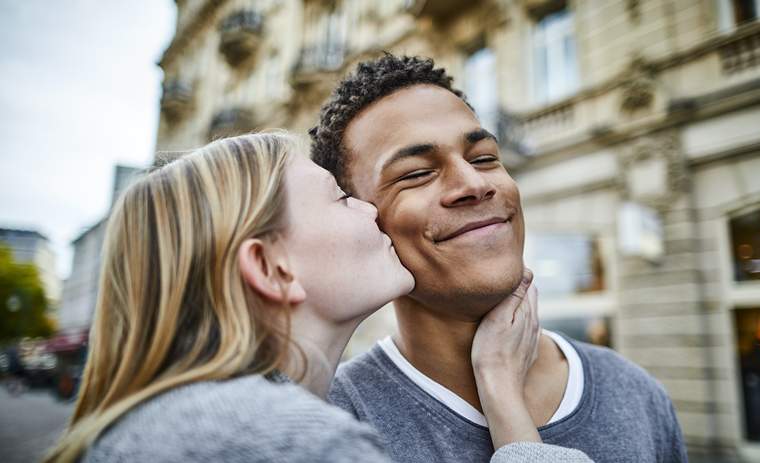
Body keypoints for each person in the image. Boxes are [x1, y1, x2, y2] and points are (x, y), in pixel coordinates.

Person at [45, 132, 591, 462]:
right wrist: (503, 392)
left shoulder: (172, 421)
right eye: (338, 199)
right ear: (270, 267)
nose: (370, 209)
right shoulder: (290, 443)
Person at [309, 54, 688, 463]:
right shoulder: (329, 427)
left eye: (484, 158)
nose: (474, 184)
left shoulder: (635, 390)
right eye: (416, 172)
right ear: (361, 222)